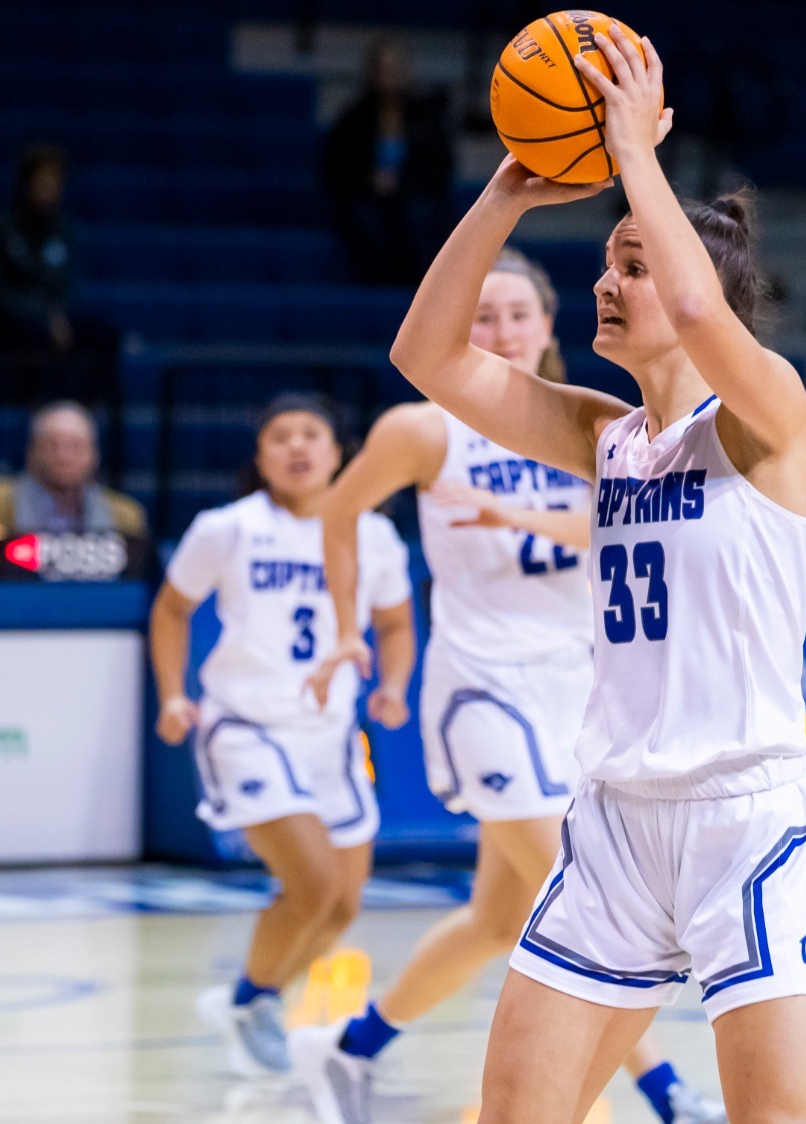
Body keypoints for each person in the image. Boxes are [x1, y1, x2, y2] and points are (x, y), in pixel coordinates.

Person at [354, 30, 806, 1121]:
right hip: (613, 826)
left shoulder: (767, 416)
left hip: (748, 822)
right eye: (606, 260)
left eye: (628, 261)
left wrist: (633, 155)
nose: (604, 280)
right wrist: (503, 195)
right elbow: (424, 356)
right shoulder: (603, 435)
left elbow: (690, 312)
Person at [292, 249, 726, 1124]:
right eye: (482, 315)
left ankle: (350, 1050)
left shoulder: (594, 426)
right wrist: (348, 631)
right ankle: (670, 1095)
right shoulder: (423, 430)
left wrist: (513, 513)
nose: (498, 330)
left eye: (515, 314)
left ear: (545, 323)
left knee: (498, 919)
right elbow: (340, 514)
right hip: (479, 690)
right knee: (585, 890)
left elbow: (604, 519)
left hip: (575, 686)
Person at [148, 394, 416, 1077]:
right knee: (313, 883)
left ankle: (247, 997)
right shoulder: (227, 528)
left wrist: (392, 684)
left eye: (311, 434)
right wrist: (174, 693)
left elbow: (395, 624)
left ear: (339, 452)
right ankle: (253, 1002)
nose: (296, 447)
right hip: (245, 727)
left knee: (342, 906)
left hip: (331, 735)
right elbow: (172, 610)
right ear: (260, 457)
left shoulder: (374, 535)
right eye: (279, 437)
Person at [0, 144, 122, 403]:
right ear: (26, 182)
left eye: (56, 181)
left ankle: (83, 412)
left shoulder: (62, 229)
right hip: (7, 320)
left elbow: (64, 286)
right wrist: (41, 317)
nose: (51, 188)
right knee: (36, 334)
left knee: (106, 333)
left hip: (51, 318)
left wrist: (55, 318)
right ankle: (31, 404)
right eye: (44, 180)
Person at [0, 400, 149, 579]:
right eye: (52, 445)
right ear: (31, 453)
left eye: (76, 446)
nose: (64, 456)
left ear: (95, 456)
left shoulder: (126, 516)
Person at [320, 37, 455, 285]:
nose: (389, 75)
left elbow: (440, 166)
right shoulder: (353, 118)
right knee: (367, 223)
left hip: (414, 195)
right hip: (366, 197)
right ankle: (377, 290)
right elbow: (336, 169)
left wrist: (403, 183)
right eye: (383, 68)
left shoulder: (425, 117)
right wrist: (369, 181)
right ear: (372, 72)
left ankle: (421, 291)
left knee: (419, 218)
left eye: (395, 68)